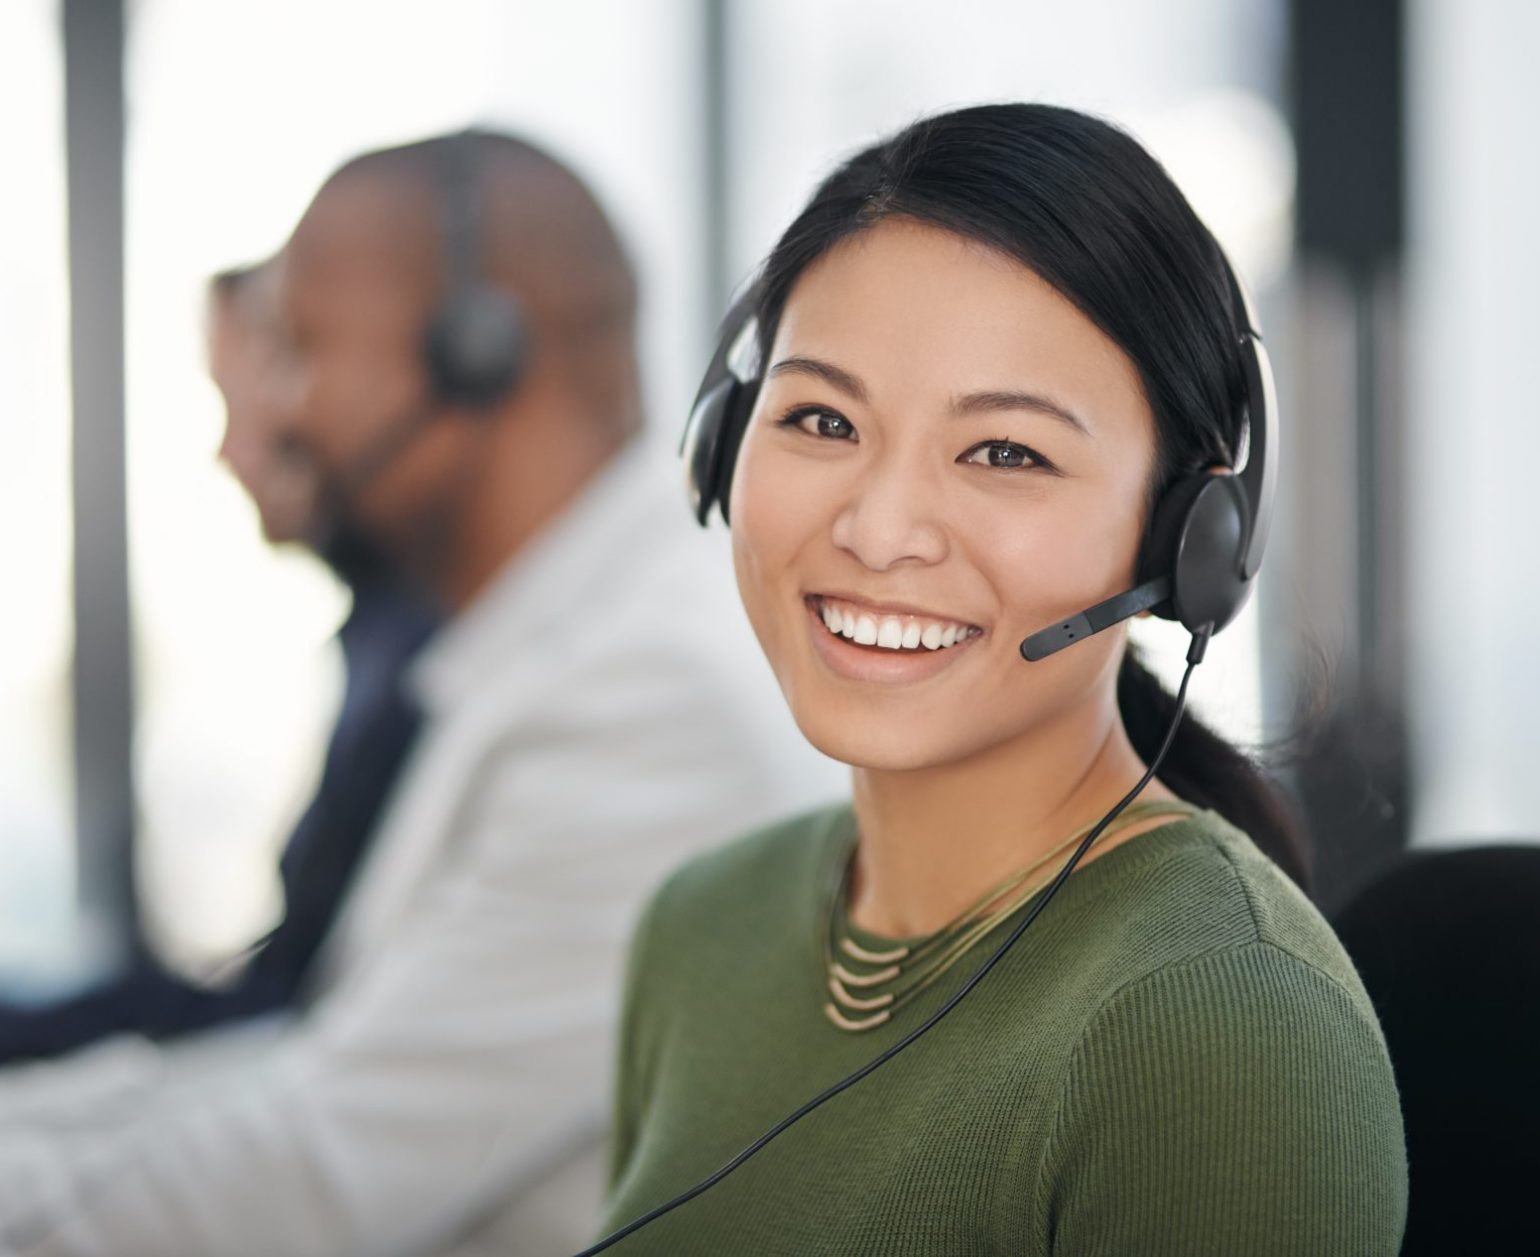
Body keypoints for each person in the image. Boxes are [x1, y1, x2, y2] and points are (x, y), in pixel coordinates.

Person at [0, 130, 839, 1257]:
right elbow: (314, 1063)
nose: (281, 414)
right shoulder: (544, 655)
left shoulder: (648, 703)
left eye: (301, 350)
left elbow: (313, 1176)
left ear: (476, 356)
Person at [598, 104, 1408, 1255]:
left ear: (1189, 535)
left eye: (1005, 453)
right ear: (723, 441)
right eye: (821, 419)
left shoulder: (1216, 1019)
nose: (879, 532)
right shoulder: (700, 929)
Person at [0, 263, 437, 1065]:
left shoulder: (433, 665)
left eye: (257, 395)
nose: (230, 448)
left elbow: (294, 1019)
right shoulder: (383, 644)